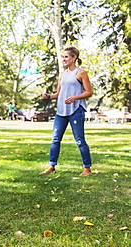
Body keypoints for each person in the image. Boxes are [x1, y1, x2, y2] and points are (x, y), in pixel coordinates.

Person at [40, 46, 92, 176]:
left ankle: (87, 169)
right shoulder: (62, 74)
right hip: (61, 111)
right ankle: (51, 166)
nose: (64, 59)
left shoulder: (81, 73)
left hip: (76, 110)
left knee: (80, 140)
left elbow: (89, 92)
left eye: (66, 57)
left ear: (74, 58)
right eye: (63, 57)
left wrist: (75, 97)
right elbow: (59, 94)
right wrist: (49, 96)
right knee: (55, 139)